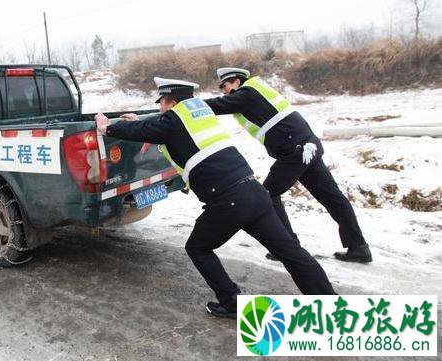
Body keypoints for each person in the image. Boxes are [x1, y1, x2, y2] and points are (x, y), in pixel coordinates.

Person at [95, 77, 336, 319]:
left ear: (170, 101)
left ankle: (231, 301)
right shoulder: (199, 112)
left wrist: (108, 127)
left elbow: (154, 128)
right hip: (253, 191)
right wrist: (141, 122)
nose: (160, 108)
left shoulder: (172, 120)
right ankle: (330, 305)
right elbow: (163, 128)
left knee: (197, 248)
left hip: (228, 202)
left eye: (162, 103)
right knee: (292, 254)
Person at [204, 68, 372, 263]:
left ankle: (287, 247)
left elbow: (219, 105)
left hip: (294, 150)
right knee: (333, 197)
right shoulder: (256, 89)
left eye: (224, 86)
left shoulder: (247, 93)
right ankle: (359, 247)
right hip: (307, 145)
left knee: (266, 194)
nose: (223, 91)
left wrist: (189, 106)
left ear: (235, 82)